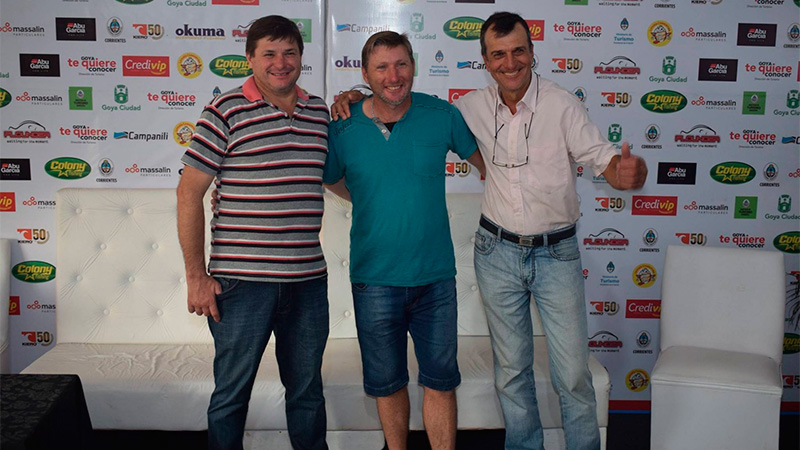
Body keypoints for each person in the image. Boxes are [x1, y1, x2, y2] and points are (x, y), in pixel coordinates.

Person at [331, 12, 647, 450]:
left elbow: (602, 159)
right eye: (499, 54)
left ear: (532, 52)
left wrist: (623, 171)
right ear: (485, 60)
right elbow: (364, 139)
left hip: (551, 254)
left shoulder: (553, 106)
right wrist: (351, 97)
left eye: (518, 51)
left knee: (573, 373)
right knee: (510, 374)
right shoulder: (466, 108)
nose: (509, 62)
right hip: (492, 252)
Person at [324, 31, 484, 450]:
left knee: (440, 382)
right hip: (374, 279)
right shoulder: (343, 125)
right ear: (365, 74)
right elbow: (333, 178)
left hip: (435, 279)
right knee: (387, 383)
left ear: (413, 65)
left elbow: (489, 166)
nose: (393, 76)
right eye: (381, 67)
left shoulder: (442, 115)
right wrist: (369, 196)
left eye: (401, 64)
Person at [176, 15, 330, 450]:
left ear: (301, 56)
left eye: (290, 53)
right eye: (269, 54)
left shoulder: (319, 112)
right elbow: (188, 194)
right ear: (250, 58)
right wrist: (196, 276)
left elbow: (334, 176)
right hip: (242, 284)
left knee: (307, 394)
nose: (281, 63)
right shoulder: (225, 110)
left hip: (307, 281)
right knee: (231, 396)